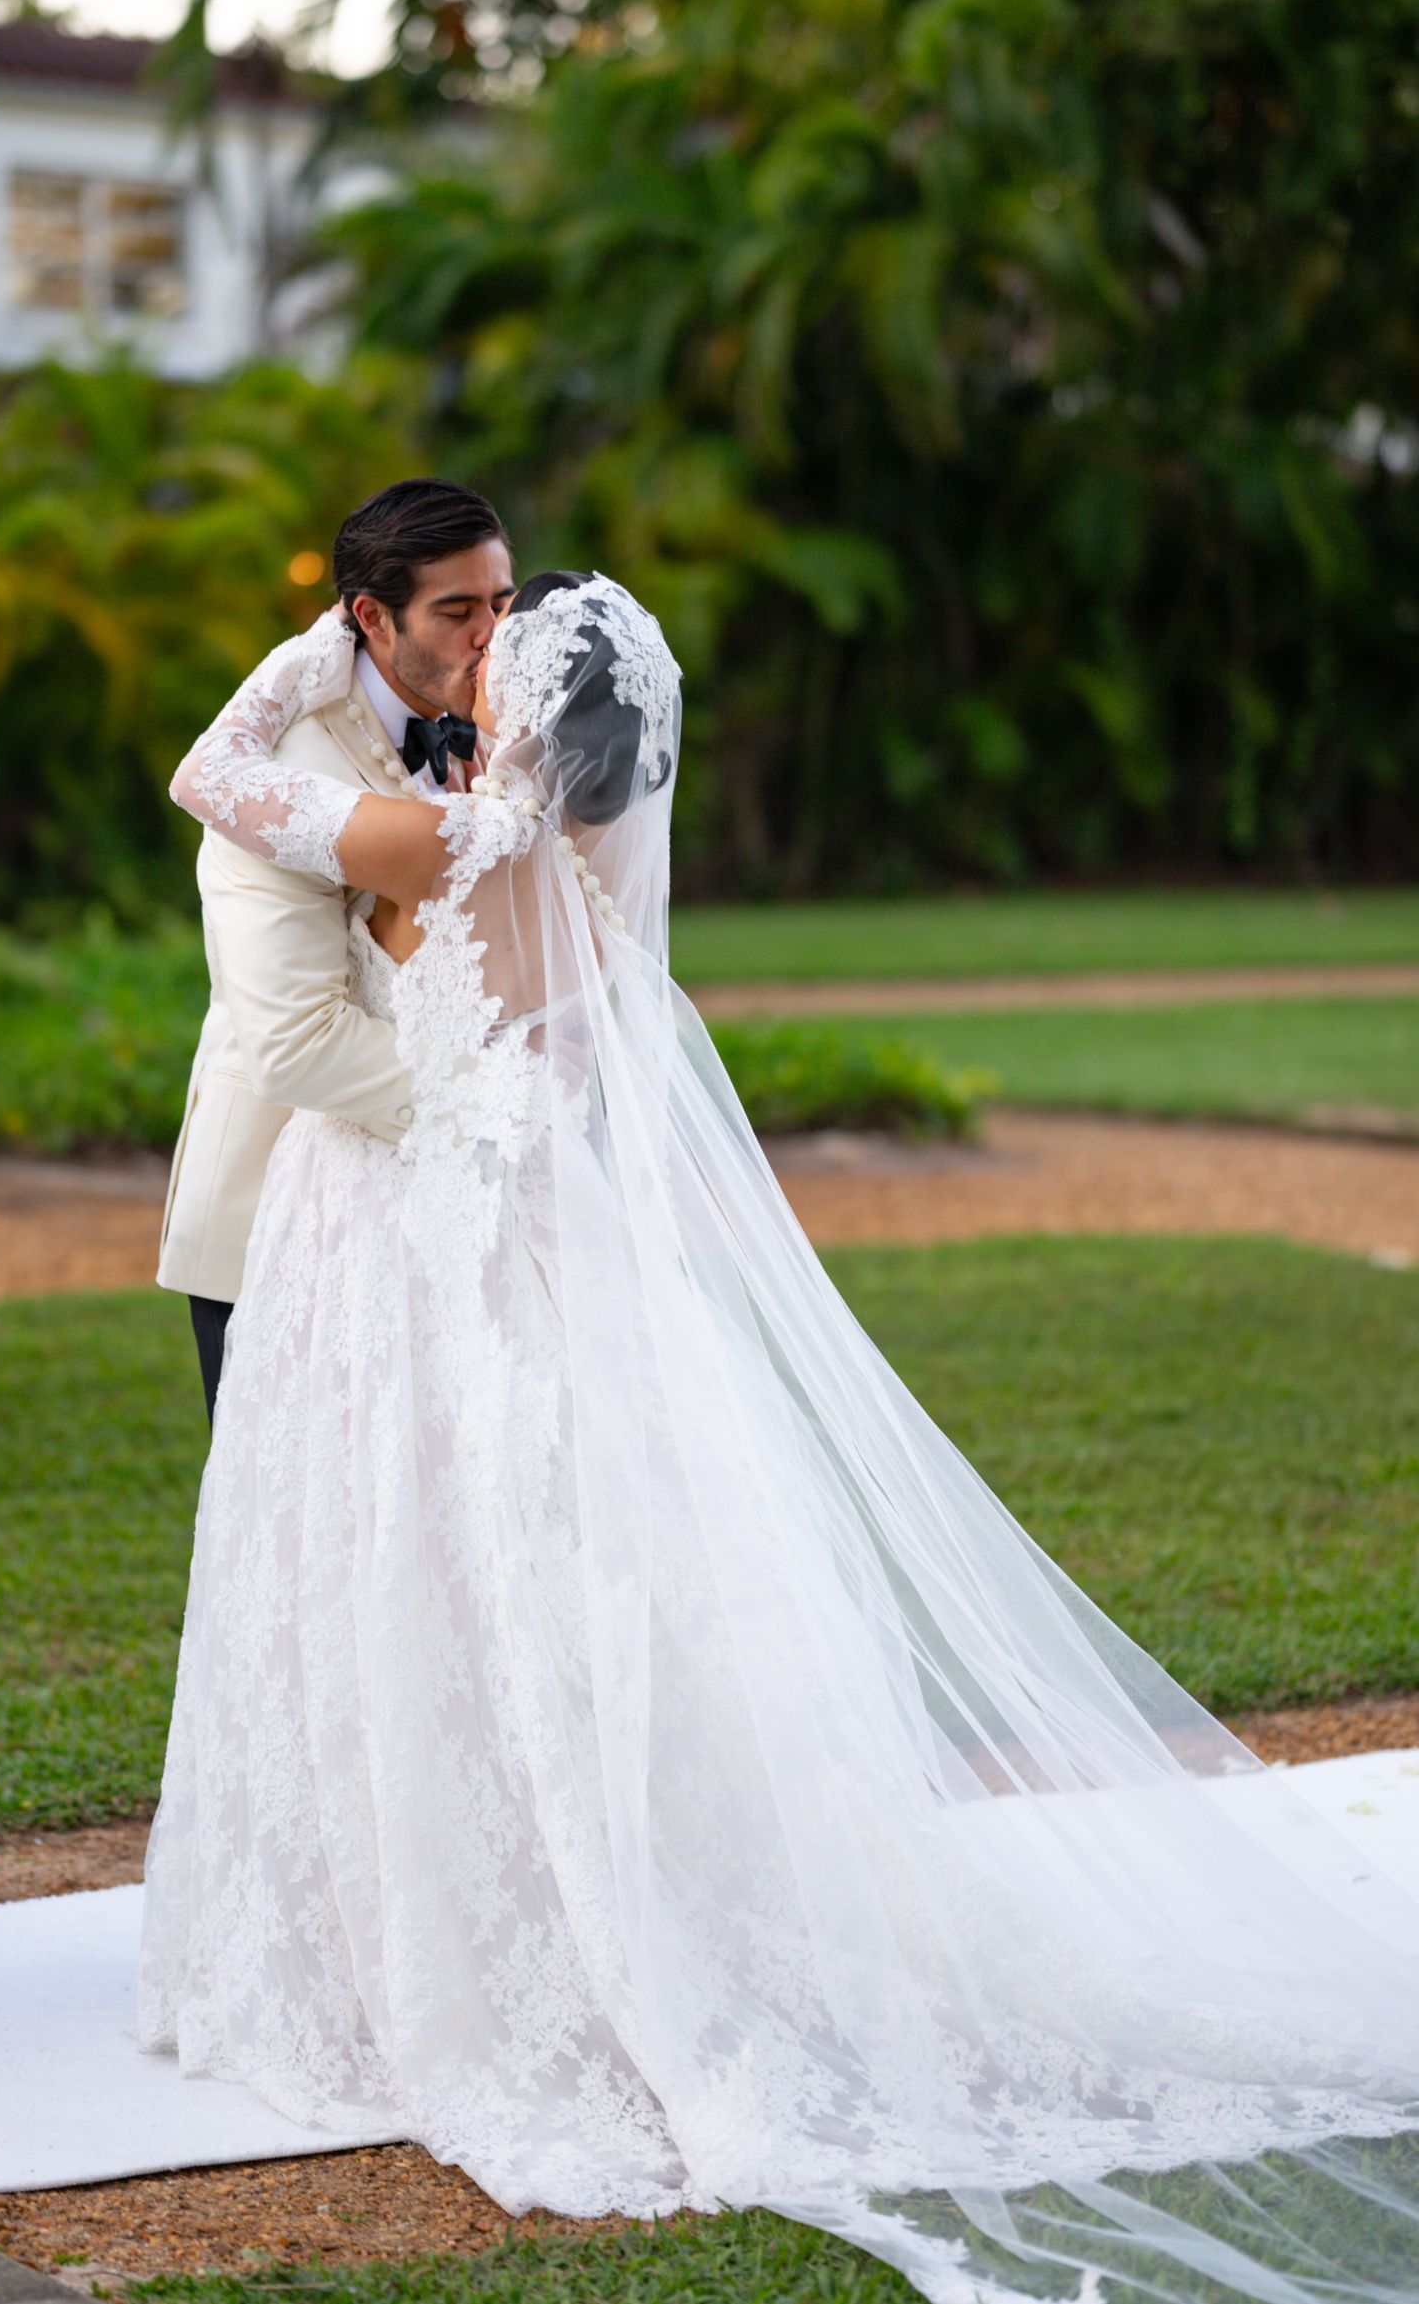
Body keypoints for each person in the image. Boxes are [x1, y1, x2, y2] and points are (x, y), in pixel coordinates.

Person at [140, 571, 1419, 2304]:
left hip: (421, 1244)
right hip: (539, 1242)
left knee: (422, 1565)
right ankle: (572, 1879)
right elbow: (565, 1044)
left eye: (500, 659)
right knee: (553, 1566)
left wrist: (308, 659)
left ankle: (450, 1924)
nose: (476, 669)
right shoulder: (579, 853)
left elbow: (220, 774)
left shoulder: (450, 845)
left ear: (528, 718)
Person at [155, 478, 513, 1418]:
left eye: (502, 603)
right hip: (279, 1223)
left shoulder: (503, 722)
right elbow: (298, 1041)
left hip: (444, 1213)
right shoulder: (272, 775)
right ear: (372, 618)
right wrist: (497, 1117)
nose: (491, 635)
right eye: (458, 610)